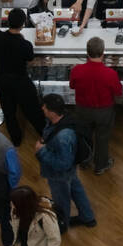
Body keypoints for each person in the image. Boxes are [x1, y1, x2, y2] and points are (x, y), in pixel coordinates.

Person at [35, 94, 97, 231]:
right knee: (77, 189)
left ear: (51, 112)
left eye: (44, 108)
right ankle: (87, 217)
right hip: (70, 169)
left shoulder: (64, 137)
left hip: (59, 174)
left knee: (61, 200)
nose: (42, 110)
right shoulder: (65, 119)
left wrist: (41, 151)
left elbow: (62, 164)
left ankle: (62, 225)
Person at [0, 8, 46, 146]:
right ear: (23, 24)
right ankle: (44, 132)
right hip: (20, 82)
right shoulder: (24, 45)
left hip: (2, 80)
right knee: (33, 110)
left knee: (9, 112)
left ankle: (16, 139)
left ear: (8, 21)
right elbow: (30, 58)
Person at [68, 36, 122, 174]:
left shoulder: (77, 70)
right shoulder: (111, 74)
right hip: (104, 111)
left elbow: (72, 86)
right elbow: (118, 92)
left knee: (85, 136)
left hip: (82, 110)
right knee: (102, 138)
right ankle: (101, 165)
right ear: (103, 52)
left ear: (87, 52)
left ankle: (85, 161)